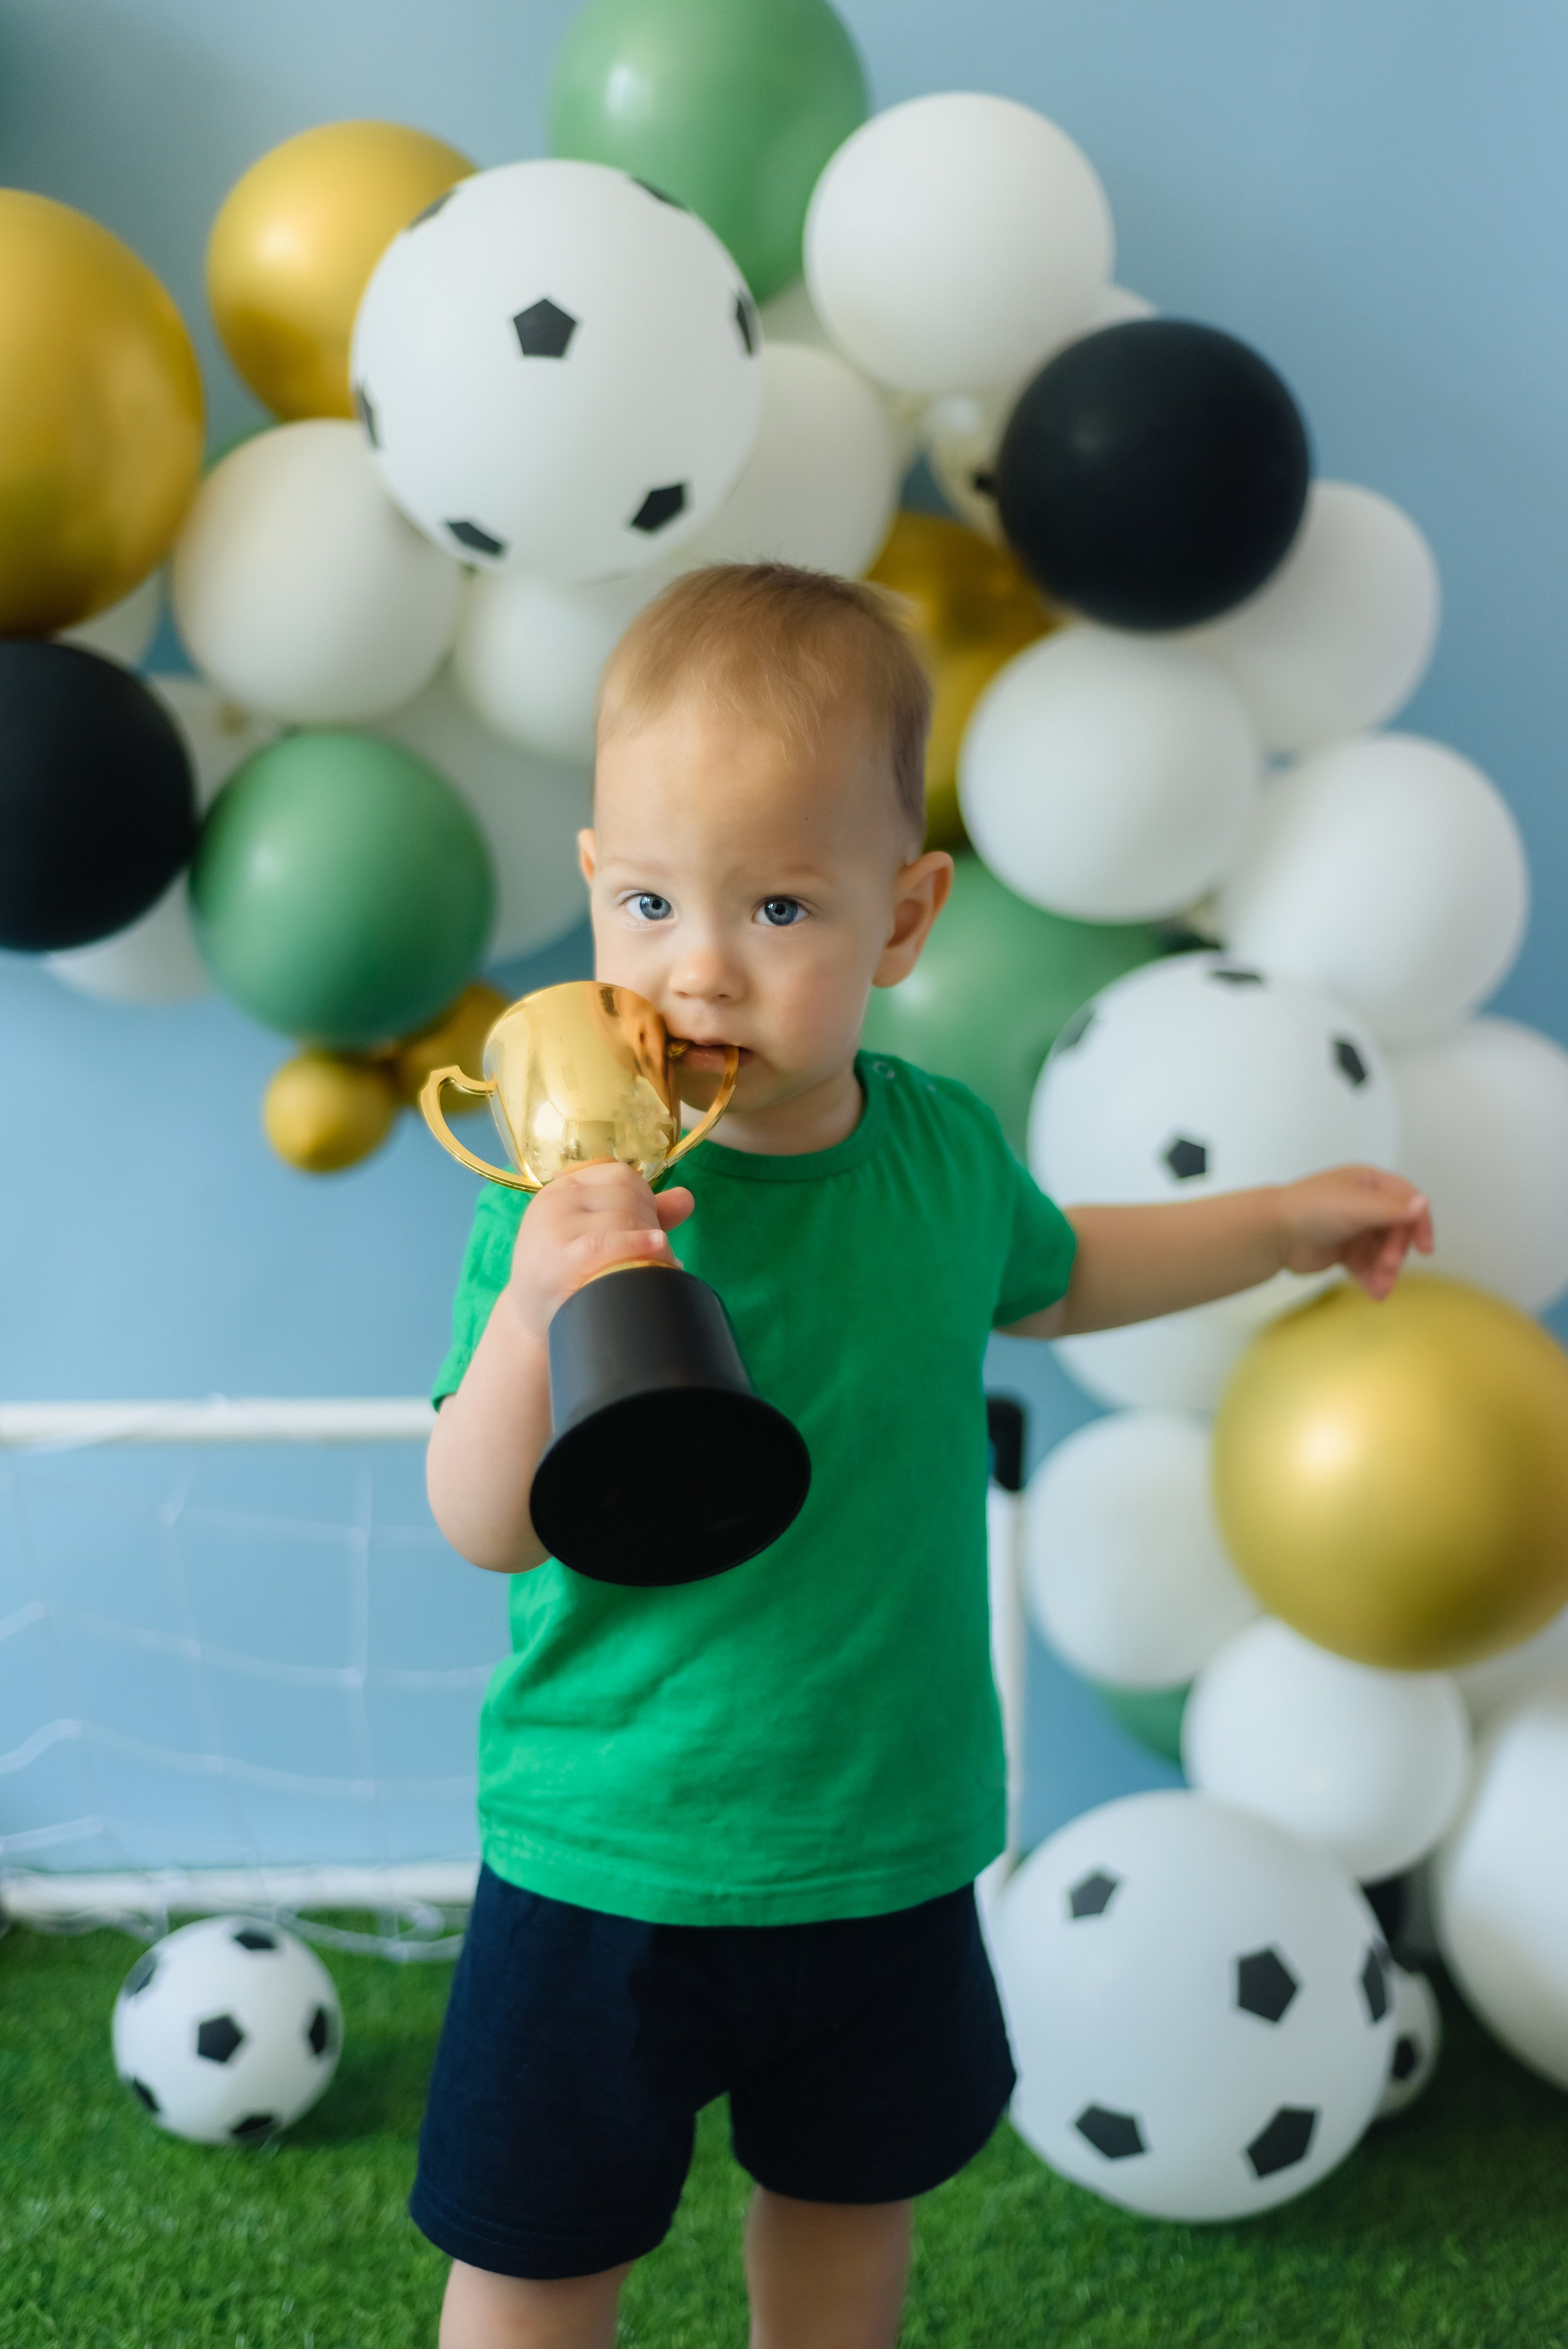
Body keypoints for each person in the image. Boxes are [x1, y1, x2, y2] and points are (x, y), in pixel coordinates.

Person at [418, 562, 1432, 2349]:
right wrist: (534, 1313)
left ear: (903, 917)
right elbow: (481, 1518)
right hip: (607, 1848)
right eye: (649, 899)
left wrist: (1278, 1220)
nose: (700, 967)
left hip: (884, 1846)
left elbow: (1066, 1270)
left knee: (844, 2218)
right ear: (591, 888)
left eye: (782, 905)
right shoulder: (565, 1204)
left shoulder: (944, 1156)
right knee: (539, 2248)